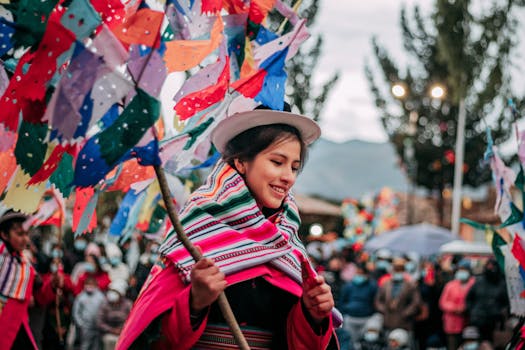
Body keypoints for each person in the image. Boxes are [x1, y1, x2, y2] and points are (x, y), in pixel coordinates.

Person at [116, 103, 340, 349]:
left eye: (294, 167)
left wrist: (312, 314)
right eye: (277, 162)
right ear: (242, 162)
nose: (288, 176)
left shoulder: (288, 244)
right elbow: (156, 339)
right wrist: (194, 303)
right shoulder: (196, 228)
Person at [0, 209, 38, 349]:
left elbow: (40, 294)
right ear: (4, 234)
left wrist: (53, 284)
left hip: (17, 327)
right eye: (20, 234)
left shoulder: (25, 265)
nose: (26, 239)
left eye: (27, 234)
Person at [339, 263, 378, 349]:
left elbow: (375, 301)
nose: (359, 276)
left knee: (363, 343)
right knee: (349, 342)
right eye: (358, 273)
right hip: (350, 318)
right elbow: (342, 301)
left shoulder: (372, 286)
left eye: (361, 273)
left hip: (366, 319)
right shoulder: (348, 286)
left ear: (366, 274)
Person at [439, 260, 475, 350]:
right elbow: (443, 302)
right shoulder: (450, 285)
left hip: (468, 322)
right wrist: (456, 308)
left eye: (464, 269)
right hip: (452, 323)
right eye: (460, 269)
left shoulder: (474, 284)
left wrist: (466, 307)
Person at [72, 276, 106, 350]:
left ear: (96, 285)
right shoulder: (80, 297)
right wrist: (80, 324)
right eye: (88, 284)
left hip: (98, 327)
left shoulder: (101, 296)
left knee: (96, 346)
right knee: (85, 345)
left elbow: (105, 310)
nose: (90, 286)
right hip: (85, 327)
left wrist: (102, 324)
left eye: (92, 284)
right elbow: (75, 312)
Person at [98, 280, 132, 350]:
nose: (112, 294)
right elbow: (100, 322)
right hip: (108, 334)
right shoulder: (104, 304)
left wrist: (123, 331)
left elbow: (132, 321)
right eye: (111, 291)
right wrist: (112, 330)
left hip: (124, 334)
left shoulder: (128, 304)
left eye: (115, 291)